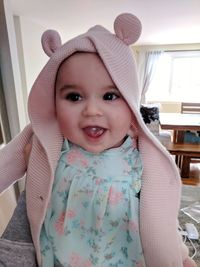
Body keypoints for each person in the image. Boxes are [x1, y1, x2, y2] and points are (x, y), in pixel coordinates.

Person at [0, 13, 197, 267]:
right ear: (54, 104)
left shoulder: (143, 158)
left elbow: (160, 218)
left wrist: (178, 254)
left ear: (131, 105)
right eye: (74, 97)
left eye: (110, 96)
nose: (92, 110)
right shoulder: (46, 144)